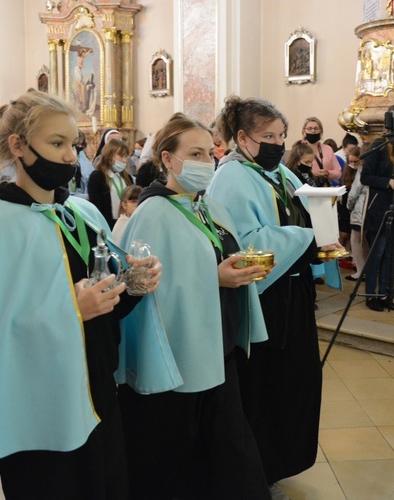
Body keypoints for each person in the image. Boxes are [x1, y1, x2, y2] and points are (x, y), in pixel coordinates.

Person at [0, 90, 161, 498]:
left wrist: (132, 284)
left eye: (73, 145)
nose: (71, 157)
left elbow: (104, 297)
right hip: (35, 399)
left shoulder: (82, 214)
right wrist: (72, 309)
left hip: (95, 383)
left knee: (104, 483)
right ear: (18, 146)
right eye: (56, 144)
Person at [117, 113, 271, 499]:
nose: (206, 161)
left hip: (219, 344)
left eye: (210, 153)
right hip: (180, 353)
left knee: (228, 448)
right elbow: (147, 285)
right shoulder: (154, 212)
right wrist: (213, 278)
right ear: (167, 159)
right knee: (178, 454)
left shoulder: (209, 208)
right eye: (195, 153)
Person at [207, 96, 341, 490]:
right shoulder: (232, 176)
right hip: (265, 298)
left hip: (294, 293)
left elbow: (309, 209)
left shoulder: (278, 172)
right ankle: (256, 473)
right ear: (243, 137)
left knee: (295, 384)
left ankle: (279, 464)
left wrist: (325, 208)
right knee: (264, 389)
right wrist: (304, 235)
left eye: (282, 135)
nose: (278, 144)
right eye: (268, 136)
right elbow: (245, 249)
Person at [361, 104, 394, 311]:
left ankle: (386, 294)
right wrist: (389, 182)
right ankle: (370, 295)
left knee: (391, 254)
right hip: (381, 209)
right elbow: (366, 176)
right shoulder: (379, 145)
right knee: (377, 253)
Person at [88, 138, 132, 228]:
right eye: (121, 156)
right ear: (109, 156)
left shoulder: (127, 177)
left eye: (126, 156)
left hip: (126, 223)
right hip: (107, 225)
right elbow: (96, 206)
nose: (125, 160)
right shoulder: (97, 177)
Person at [346, 145, 369, 281]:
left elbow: (355, 191)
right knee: (363, 239)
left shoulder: (362, 169)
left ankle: (360, 271)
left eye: (356, 161)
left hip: (360, 208)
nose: (353, 164)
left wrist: (349, 206)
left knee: (355, 239)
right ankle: (365, 269)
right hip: (368, 207)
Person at [301, 117, 341, 187]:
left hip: (325, 190)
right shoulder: (299, 149)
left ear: (321, 131)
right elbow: (292, 171)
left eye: (316, 128)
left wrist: (328, 173)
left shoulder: (328, 149)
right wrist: (313, 173)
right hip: (305, 189)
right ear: (304, 131)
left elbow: (338, 172)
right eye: (309, 128)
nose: (313, 131)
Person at [73, 128, 94, 198]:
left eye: (82, 144)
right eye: (77, 144)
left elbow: (89, 173)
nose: (80, 147)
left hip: (83, 193)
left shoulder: (81, 154)